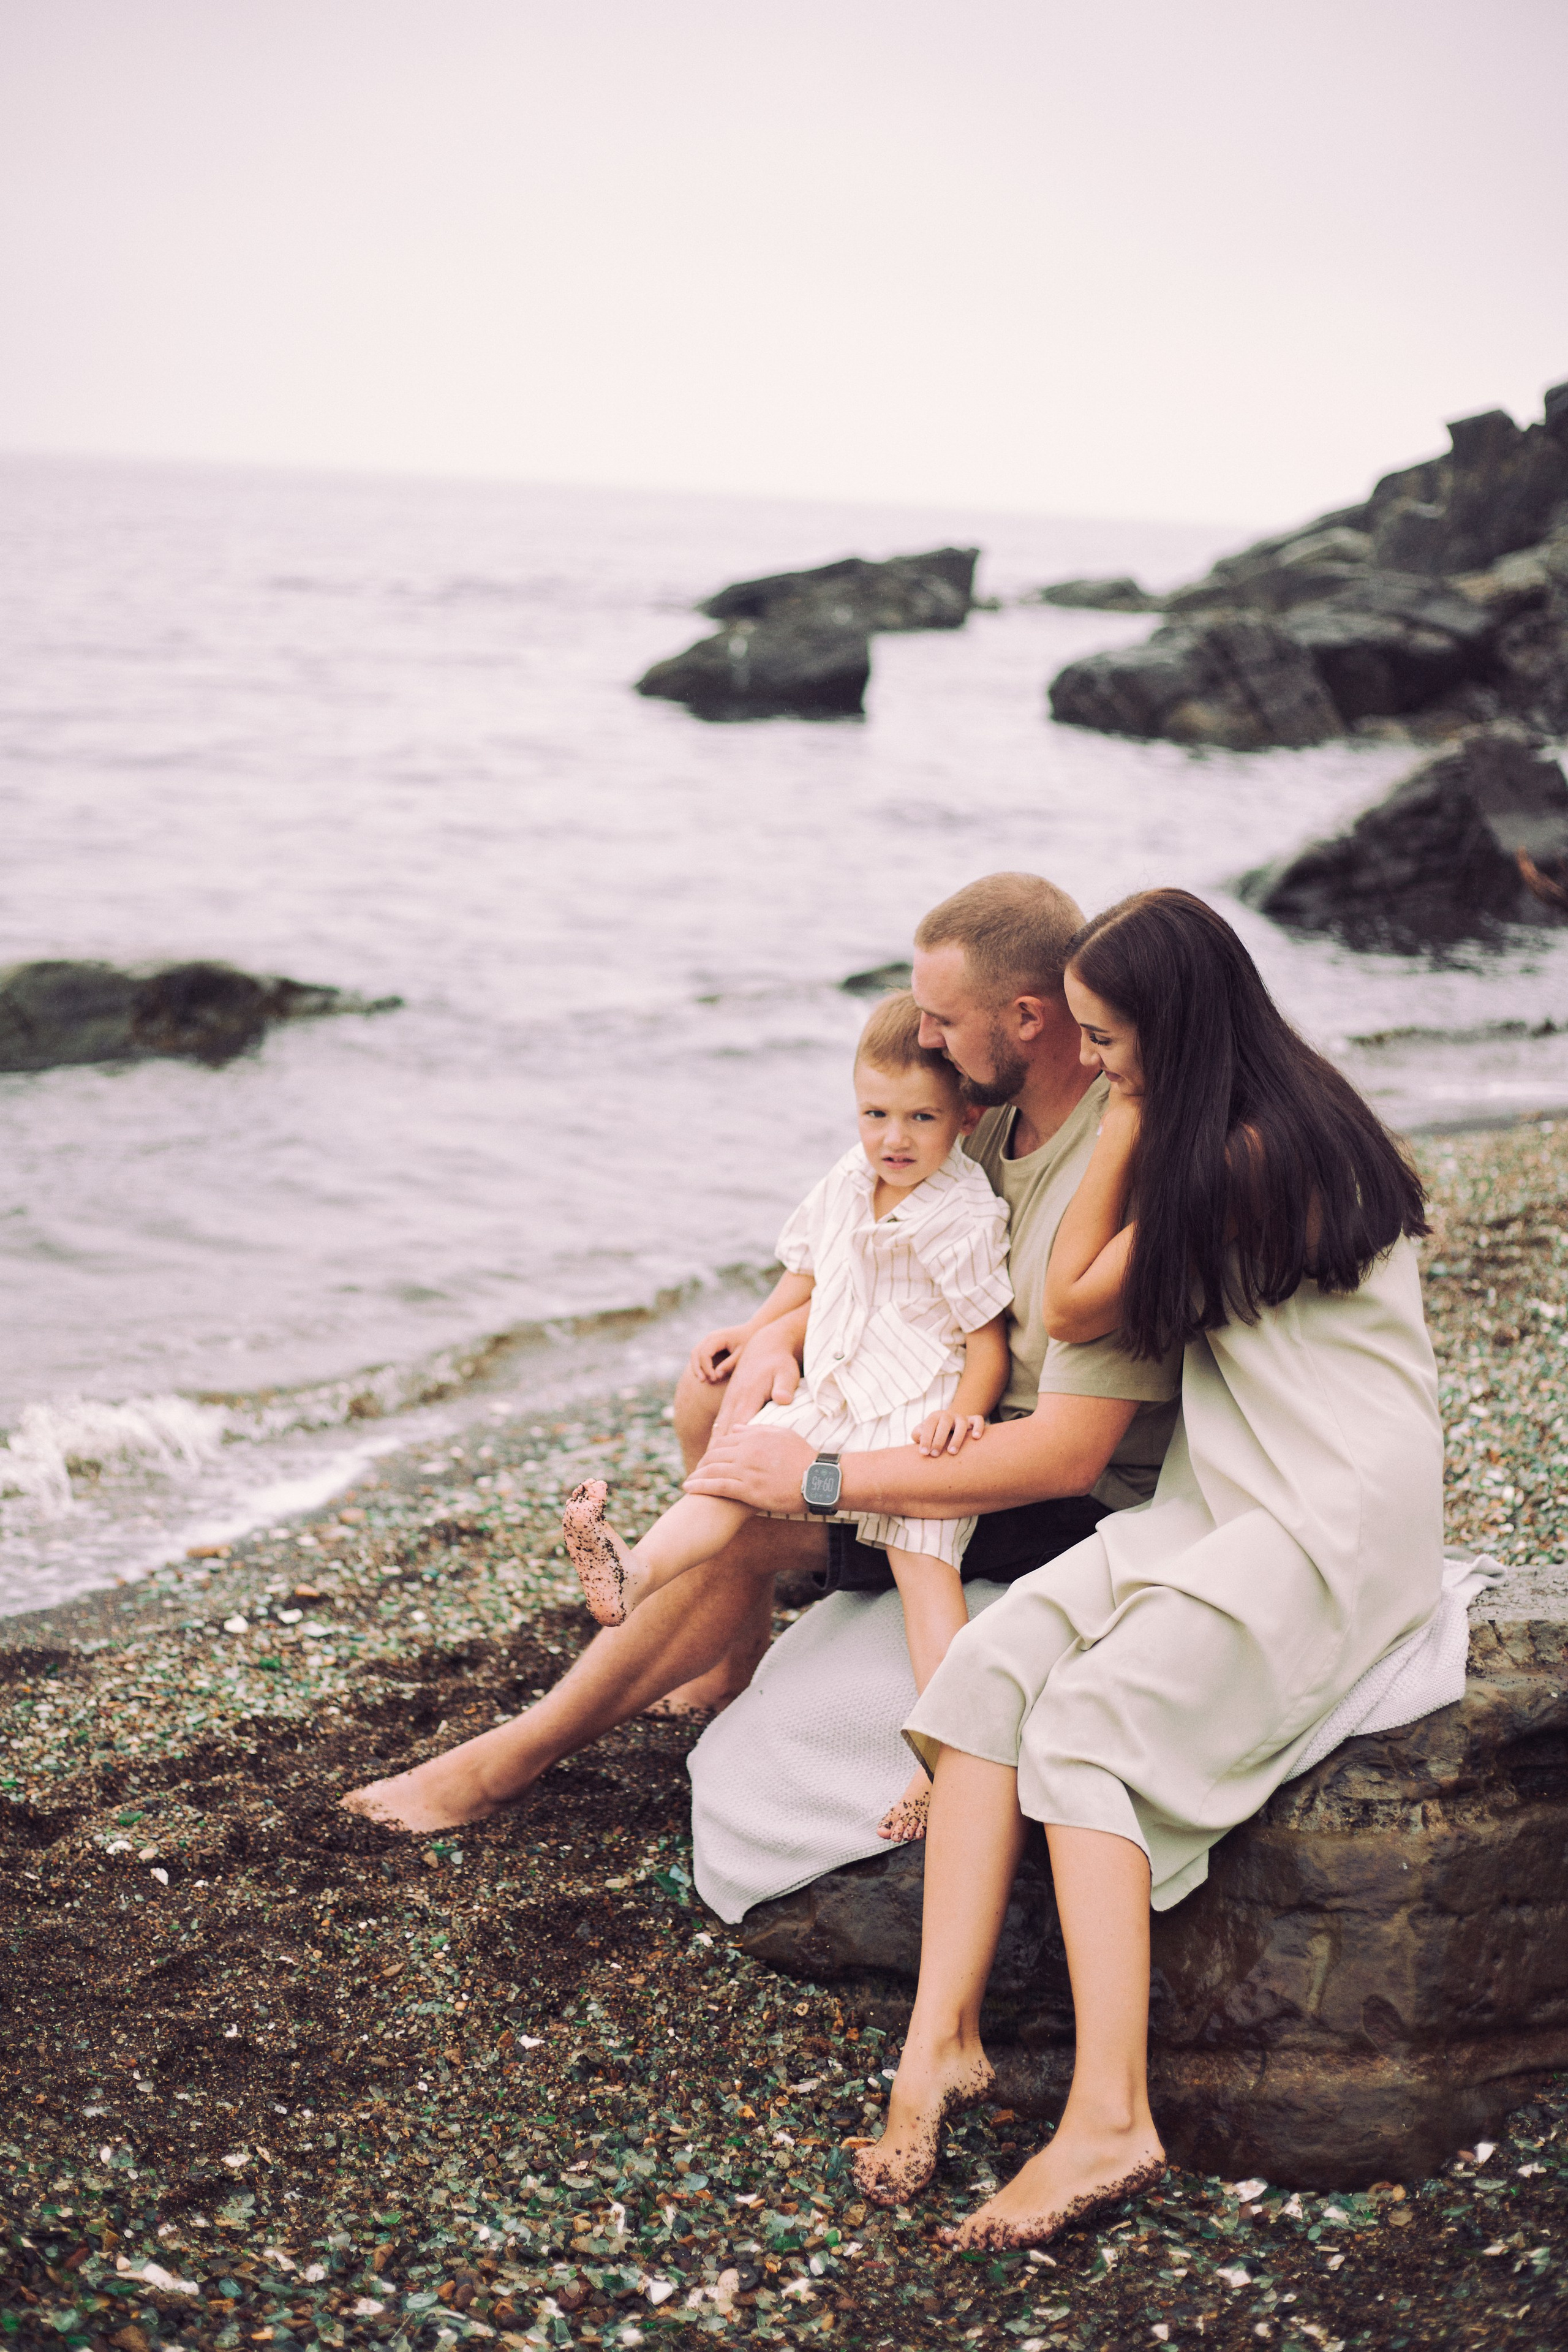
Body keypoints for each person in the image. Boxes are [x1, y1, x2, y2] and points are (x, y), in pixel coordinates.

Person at [842, 888, 1441, 2251]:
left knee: (1093, 1729)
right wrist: (1133, 1094)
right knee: (990, 1672)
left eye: (1110, 1040)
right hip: (1222, 1488)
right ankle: (941, 2041)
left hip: (1326, 1511)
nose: (1094, 1062)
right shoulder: (1250, 1112)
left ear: (1170, 1033)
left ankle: (1109, 2119)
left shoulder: (1243, 1156)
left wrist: (1120, 1120)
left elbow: (1066, 1302)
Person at [342, 873, 1181, 1844]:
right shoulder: (977, 1106)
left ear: (1027, 1018)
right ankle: (724, 1656)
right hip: (929, 1402)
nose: (927, 1039)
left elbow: (1069, 1456)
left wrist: (820, 1478)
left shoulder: (1115, 1169)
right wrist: (777, 1331)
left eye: (945, 1020)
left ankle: (502, 1764)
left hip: (1058, 1496)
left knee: (744, 1509)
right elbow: (880, 1242)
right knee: (715, 1401)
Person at [560, 990, 1014, 1842]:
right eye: (876, 1113)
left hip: (912, 1411)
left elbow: (988, 1343)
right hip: (836, 1390)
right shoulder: (849, 1179)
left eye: (921, 1117)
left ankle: (939, 1762)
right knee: (732, 1476)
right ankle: (633, 1572)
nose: (894, 1138)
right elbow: (804, 1282)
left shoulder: (964, 1212)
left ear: (966, 1116)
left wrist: (963, 1416)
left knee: (926, 1580)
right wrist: (758, 1331)